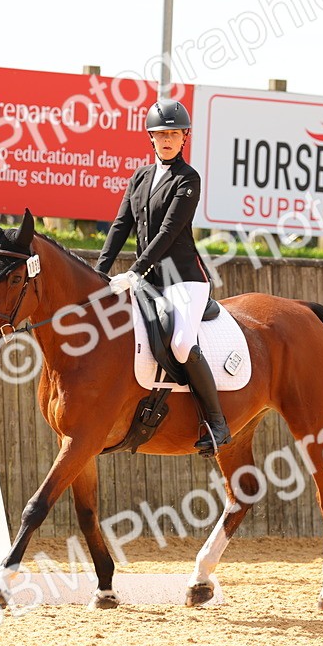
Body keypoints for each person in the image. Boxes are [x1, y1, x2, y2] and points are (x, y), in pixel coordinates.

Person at [95, 97, 231, 455]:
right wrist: (99, 273)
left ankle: (216, 423)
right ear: (150, 138)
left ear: (184, 137)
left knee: (182, 343)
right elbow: (121, 225)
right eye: (160, 134)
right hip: (147, 280)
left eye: (174, 133)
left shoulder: (188, 179)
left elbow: (168, 232)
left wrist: (135, 270)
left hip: (184, 279)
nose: (167, 139)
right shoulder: (139, 177)